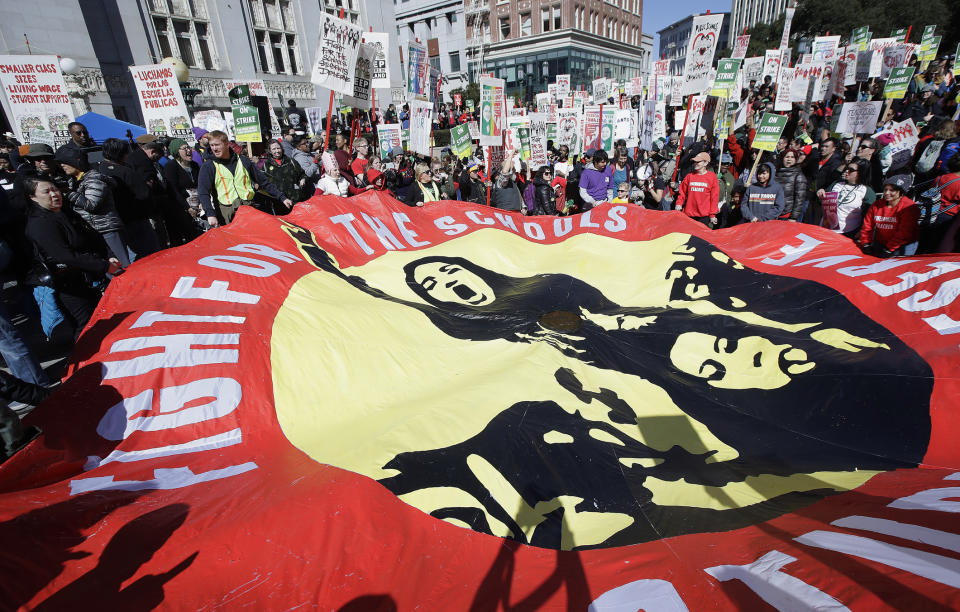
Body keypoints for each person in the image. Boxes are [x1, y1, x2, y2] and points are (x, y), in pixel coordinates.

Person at [278, 227, 933, 549]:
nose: (448, 285)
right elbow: (378, 294)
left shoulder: (565, 291)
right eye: (435, 286)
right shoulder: (473, 331)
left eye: (449, 273)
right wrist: (324, 258)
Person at [23, 178, 122, 341]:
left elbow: (93, 235)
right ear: (32, 197)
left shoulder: (65, 211)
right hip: (68, 285)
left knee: (104, 319)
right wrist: (104, 266)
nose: (54, 194)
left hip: (91, 277)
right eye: (46, 192)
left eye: (55, 189)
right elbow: (64, 256)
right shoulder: (39, 224)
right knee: (86, 326)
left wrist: (109, 254)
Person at [197, 130, 291, 227]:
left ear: (226, 143)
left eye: (217, 145)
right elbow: (203, 192)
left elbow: (263, 181)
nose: (214, 149)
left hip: (249, 207)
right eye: (212, 145)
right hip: (227, 212)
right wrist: (210, 214)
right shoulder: (208, 166)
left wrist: (281, 197)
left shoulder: (243, 160)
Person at [55, 145, 129, 266]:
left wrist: (68, 193)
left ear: (76, 161)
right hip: (94, 231)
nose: (62, 165)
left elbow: (92, 204)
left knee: (121, 265)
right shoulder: (73, 181)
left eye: (64, 162)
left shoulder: (94, 179)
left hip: (107, 229)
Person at [97, 138, 160, 259]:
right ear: (123, 154)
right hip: (135, 220)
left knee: (132, 255)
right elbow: (144, 194)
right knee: (150, 254)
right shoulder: (125, 172)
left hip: (117, 221)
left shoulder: (100, 170)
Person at [860, 175, 920, 257]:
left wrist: (889, 249)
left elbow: (904, 232)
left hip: (903, 245)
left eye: (892, 190)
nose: (887, 193)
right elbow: (867, 225)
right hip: (881, 242)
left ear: (900, 192)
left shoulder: (909, 207)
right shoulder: (877, 205)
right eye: (885, 190)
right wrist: (866, 243)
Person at [819, 159, 874, 236]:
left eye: (851, 170)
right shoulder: (837, 183)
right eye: (847, 168)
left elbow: (869, 216)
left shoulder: (867, 191)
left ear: (861, 173)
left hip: (847, 232)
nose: (847, 171)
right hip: (825, 227)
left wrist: (861, 231)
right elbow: (823, 201)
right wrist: (821, 194)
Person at [805, 137, 843, 225]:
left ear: (833, 149)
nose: (823, 148)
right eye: (822, 146)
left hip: (823, 198)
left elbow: (833, 179)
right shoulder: (816, 159)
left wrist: (824, 189)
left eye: (826, 146)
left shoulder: (836, 163)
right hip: (811, 195)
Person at [674, 152, 718, 227]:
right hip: (688, 214)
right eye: (695, 162)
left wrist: (712, 215)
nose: (695, 163)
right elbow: (682, 192)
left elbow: (714, 197)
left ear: (705, 163)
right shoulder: (689, 176)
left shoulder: (712, 177)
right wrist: (679, 203)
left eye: (698, 162)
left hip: (703, 216)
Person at [262, 140, 307, 204]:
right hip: (278, 201)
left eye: (278, 148)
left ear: (282, 149)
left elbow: (302, 174)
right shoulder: (266, 165)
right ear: (270, 151)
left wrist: (303, 179)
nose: (277, 151)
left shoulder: (291, 161)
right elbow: (264, 182)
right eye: (274, 149)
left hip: (296, 198)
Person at [776, 149, 809, 222]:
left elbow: (800, 199)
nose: (789, 159)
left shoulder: (799, 175)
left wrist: (793, 217)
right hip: (774, 214)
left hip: (787, 215)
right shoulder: (775, 173)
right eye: (787, 157)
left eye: (792, 157)